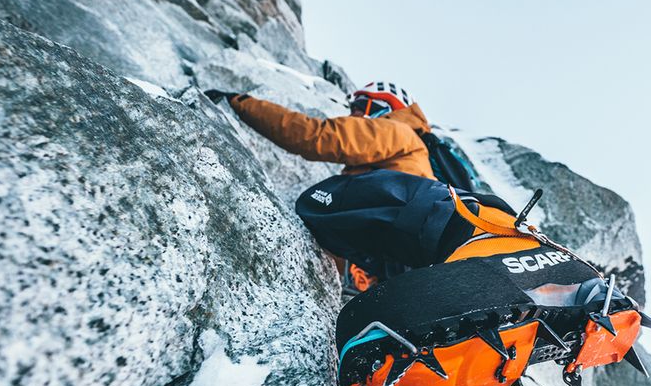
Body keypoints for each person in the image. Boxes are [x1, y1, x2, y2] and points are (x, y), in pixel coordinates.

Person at [205, 81, 511, 282]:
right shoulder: (417, 154)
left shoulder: (395, 130)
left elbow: (317, 136)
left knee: (317, 203)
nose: (352, 115)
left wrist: (241, 103)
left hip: (395, 226)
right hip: (410, 247)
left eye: (360, 107)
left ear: (384, 107)